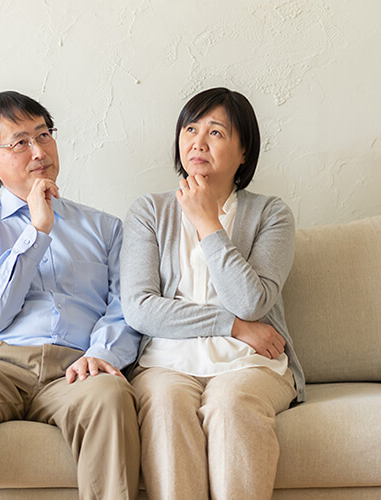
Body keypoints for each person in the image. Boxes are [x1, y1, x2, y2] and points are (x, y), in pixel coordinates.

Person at [0, 90, 141, 500]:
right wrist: (36, 232)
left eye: (44, 134)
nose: (39, 151)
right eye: (20, 142)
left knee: (110, 396)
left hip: (75, 366)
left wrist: (101, 353)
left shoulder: (105, 228)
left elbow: (125, 307)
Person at [120, 87, 305, 500]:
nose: (198, 142)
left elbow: (253, 302)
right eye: (190, 129)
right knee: (165, 406)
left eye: (216, 132)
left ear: (244, 152)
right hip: (165, 361)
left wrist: (208, 224)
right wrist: (232, 325)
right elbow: (140, 309)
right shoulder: (149, 211)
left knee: (231, 403)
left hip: (251, 362)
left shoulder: (271, 214)